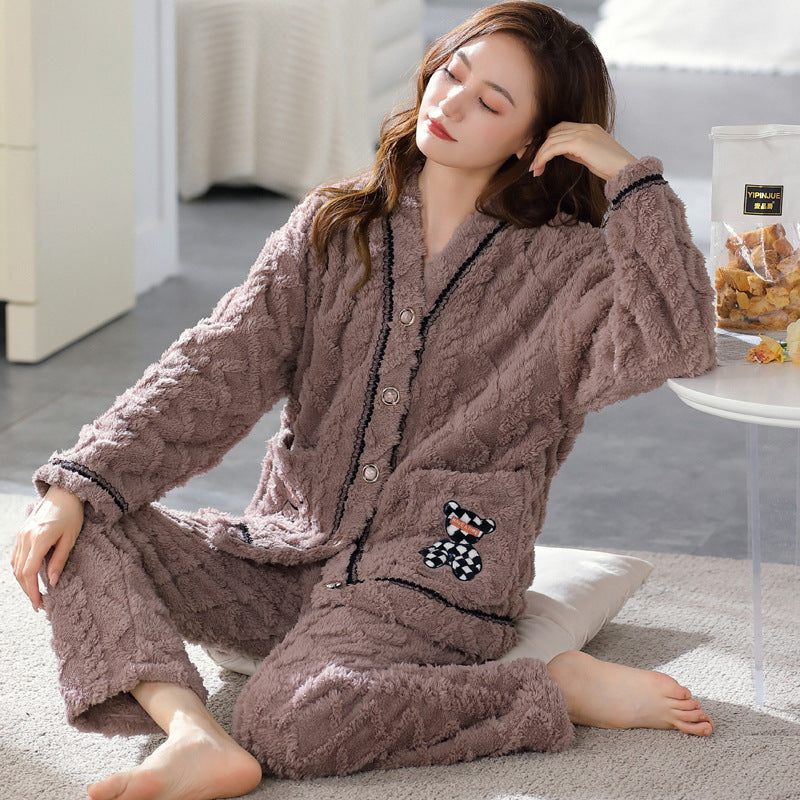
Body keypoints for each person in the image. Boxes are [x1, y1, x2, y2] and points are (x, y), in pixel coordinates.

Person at [11, 3, 717, 799]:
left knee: (290, 722)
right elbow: (212, 367)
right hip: (289, 548)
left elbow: (678, 339)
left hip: (436, 563)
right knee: (70, 520)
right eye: (452, 74)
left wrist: (630, 176)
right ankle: (192, 733)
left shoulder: (569, 269)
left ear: (532, 140)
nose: (450, 105)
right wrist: (81, 478)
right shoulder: (335, 226)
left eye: (490, 102)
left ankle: (550, 689)